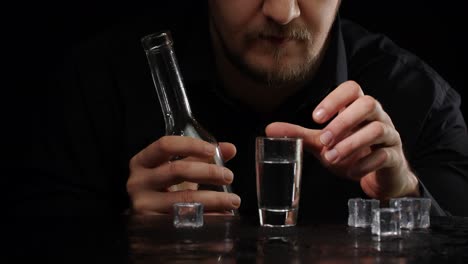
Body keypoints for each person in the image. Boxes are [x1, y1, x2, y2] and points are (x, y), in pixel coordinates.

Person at [20, 0, 468, 224]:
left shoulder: (420, 97)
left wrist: (406, 196)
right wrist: (128, 234)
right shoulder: (98, 83)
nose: (281, 11)